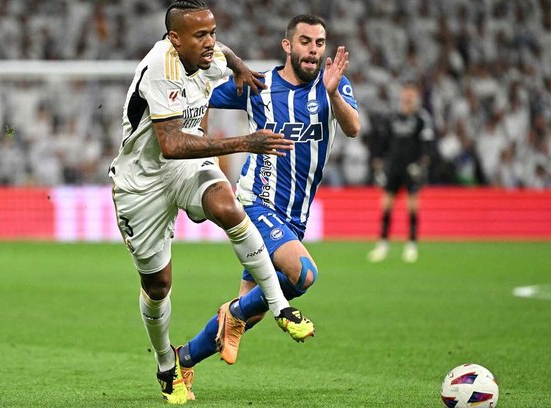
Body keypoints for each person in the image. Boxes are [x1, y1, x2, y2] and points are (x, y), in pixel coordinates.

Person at [108, 1, 314, 404]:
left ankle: (279, 307)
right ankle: (167, 364)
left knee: (228, 208)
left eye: (213, 31)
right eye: (200, 35)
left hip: (187, 166)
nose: (211, 42)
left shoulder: (211, 53)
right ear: (174, 40)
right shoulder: (159, 68)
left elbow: (225, 53)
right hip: (142, 181)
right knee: (158, 284)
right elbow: (171, 145)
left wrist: (237, 65)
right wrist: (245, 144)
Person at [175, 14, 361, 400]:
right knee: (303, 275)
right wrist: (199, 138)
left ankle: (184, 360)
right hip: (256, 204)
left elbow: (354, 127)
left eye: (320, 43)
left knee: (251, 310)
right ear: (287, 45)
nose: (313, 50)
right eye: (306, 41)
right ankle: (235, 313)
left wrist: (333, 95)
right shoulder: (257, 84)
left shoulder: (333, 85)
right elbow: (202, 90)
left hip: (295, 217)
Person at [367, 82, 434, 263]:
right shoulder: (393, 118)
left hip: (411, 169)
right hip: (394, 168)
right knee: (386, 205)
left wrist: (421, 165)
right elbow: (383, 142)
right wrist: (379, 164)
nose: (408, 98)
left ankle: (411, 245)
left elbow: (427, 146)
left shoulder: (421, 119)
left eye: (411, 95)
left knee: (412, 207)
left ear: (416, 97)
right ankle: (382, 244)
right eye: (406, 94)